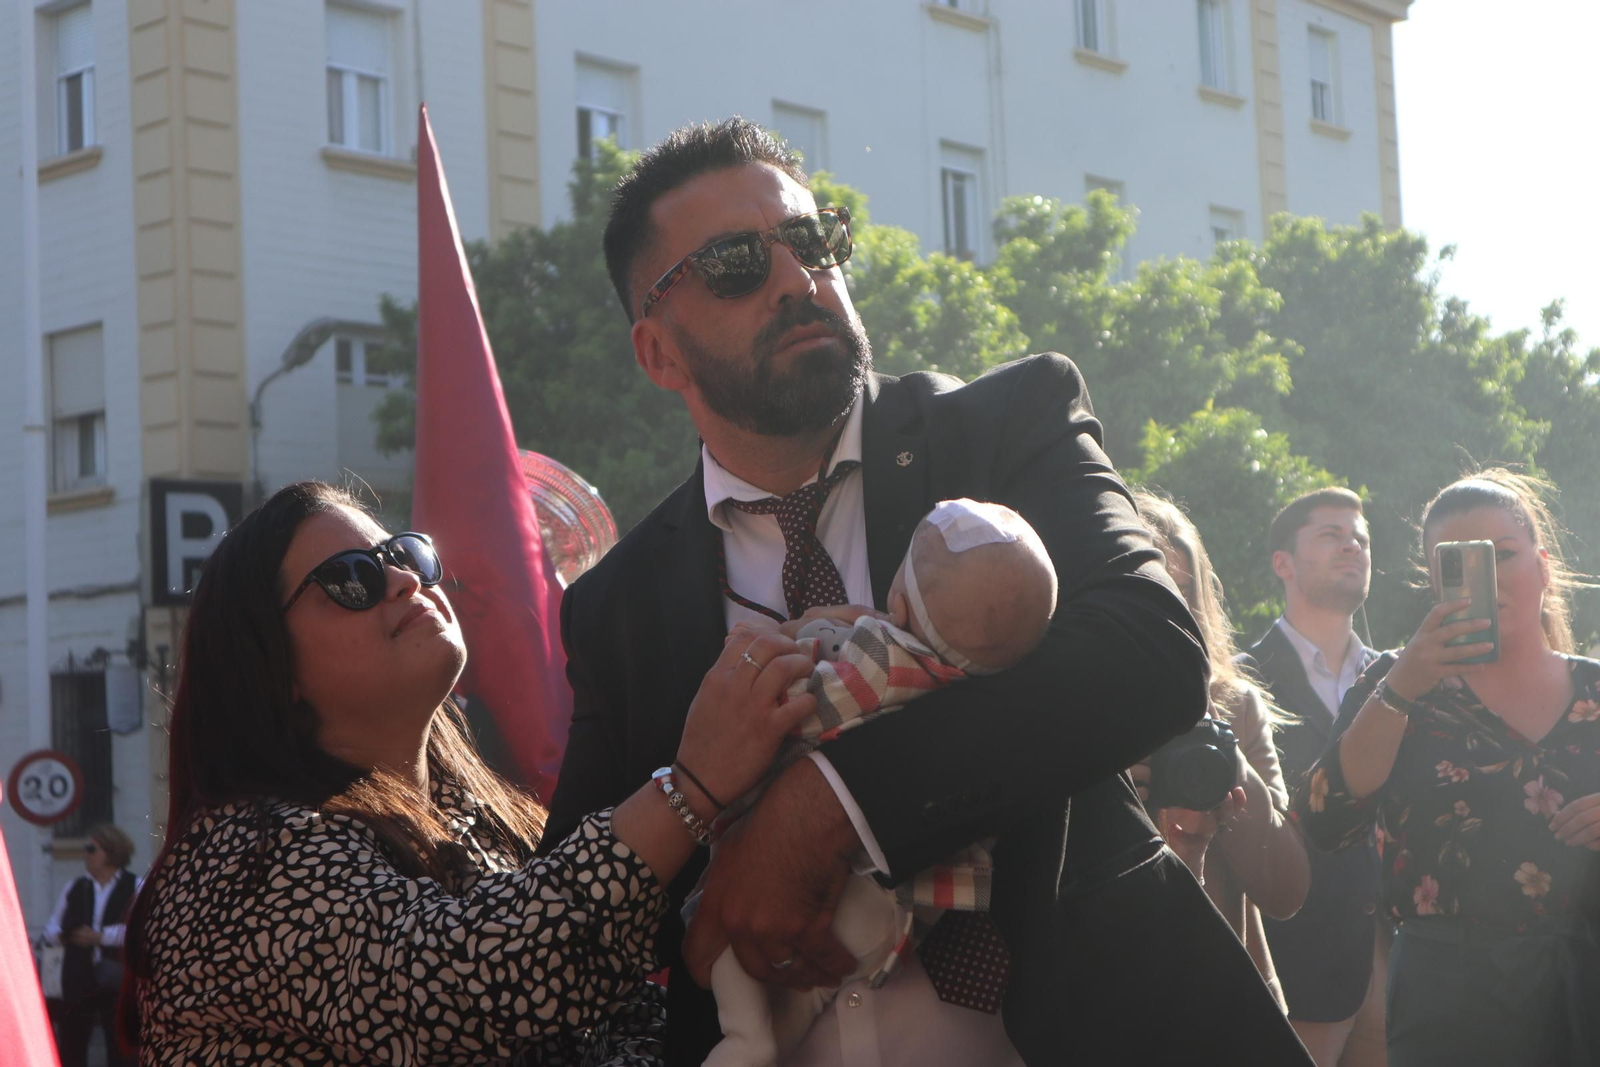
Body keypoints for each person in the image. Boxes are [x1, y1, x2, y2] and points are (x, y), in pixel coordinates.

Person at [540, 118, 1309, 1066]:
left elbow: (1151, 651)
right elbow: (580, 918)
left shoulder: (1008, 423)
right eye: (738, 264)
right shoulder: (617, 605)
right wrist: (694, 793)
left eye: (815, 241)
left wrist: (832, 800)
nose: (797, 279)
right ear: (658, 354)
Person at [121, 481, 822, 1065]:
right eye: (350, 579)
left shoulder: (478, 820)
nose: (401, 579)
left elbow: (617, 1027)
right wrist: (693, 784)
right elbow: (463, 984)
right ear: (268, 668)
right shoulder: (237, 862)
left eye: (404, 554)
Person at [705, 499, 1057, 1066]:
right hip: (905, 910)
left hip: (840, 894)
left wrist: (794, 640)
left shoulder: (879, 661)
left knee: (738, 960)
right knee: (810, 990)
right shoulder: (981, 697)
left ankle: (747, 1042)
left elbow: (808, 711)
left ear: (898, 601)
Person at [1299, 470, 1600, 1065]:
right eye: (1460, 563)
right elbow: (1325, 819)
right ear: (1434, 582)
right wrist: (1405, 685)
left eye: (1504, 555)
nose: (1490, 577)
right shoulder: (1398, 682)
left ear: (1543, 566)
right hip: (1448, 1003)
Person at [1129, 491, 1311, 1012]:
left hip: (1226, 999)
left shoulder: (1235, 705)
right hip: (1109, 990)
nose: (1167, 618)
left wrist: (1224, 760)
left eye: (1181, 600)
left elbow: (1286, 890)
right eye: (1148, 594)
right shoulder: (1074, 707)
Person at [1238, 487, 1386, 1065]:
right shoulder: (1238, 682)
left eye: (1361, 539)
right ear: (1283, 563)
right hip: (1292, 966)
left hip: (1391, 958)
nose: (1352, 545)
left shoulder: (1396, 679)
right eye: (1331, 534)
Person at [42, 823, 140, 1067]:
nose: (86, 854)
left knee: (120, 1047)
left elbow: (140, 932)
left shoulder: (135, 885)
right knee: (72, 1044)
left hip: (117, 979)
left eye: (91, 849)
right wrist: (68, 935)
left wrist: (100, 937)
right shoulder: (76, 886)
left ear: (110, 851)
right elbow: (50, 930)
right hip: (78, 979)